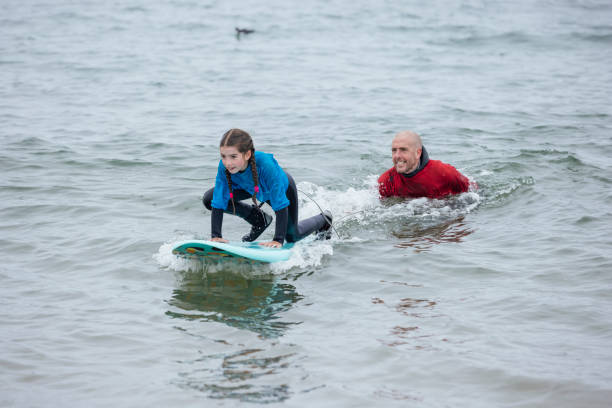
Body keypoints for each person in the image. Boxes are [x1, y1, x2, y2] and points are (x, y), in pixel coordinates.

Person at [202, 128, 332, 248]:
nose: (227, 162)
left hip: (279, 188)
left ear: (247, 154)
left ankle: (324, 219)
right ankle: (259, 220)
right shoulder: (224, 167)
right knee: (210, 199)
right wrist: (216, 236)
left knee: (292, 236)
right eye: (223, 156)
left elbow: (280, 204)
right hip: (248, 188)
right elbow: (218, 200)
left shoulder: (266, 165)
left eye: (233, 156)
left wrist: (278, 240)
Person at [378, 130, 471, 199]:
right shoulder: (386, 181)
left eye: (403, 150)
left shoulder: (444, 172)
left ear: (418, 153)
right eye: (394, 150)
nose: (397, 156)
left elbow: (473, 193)